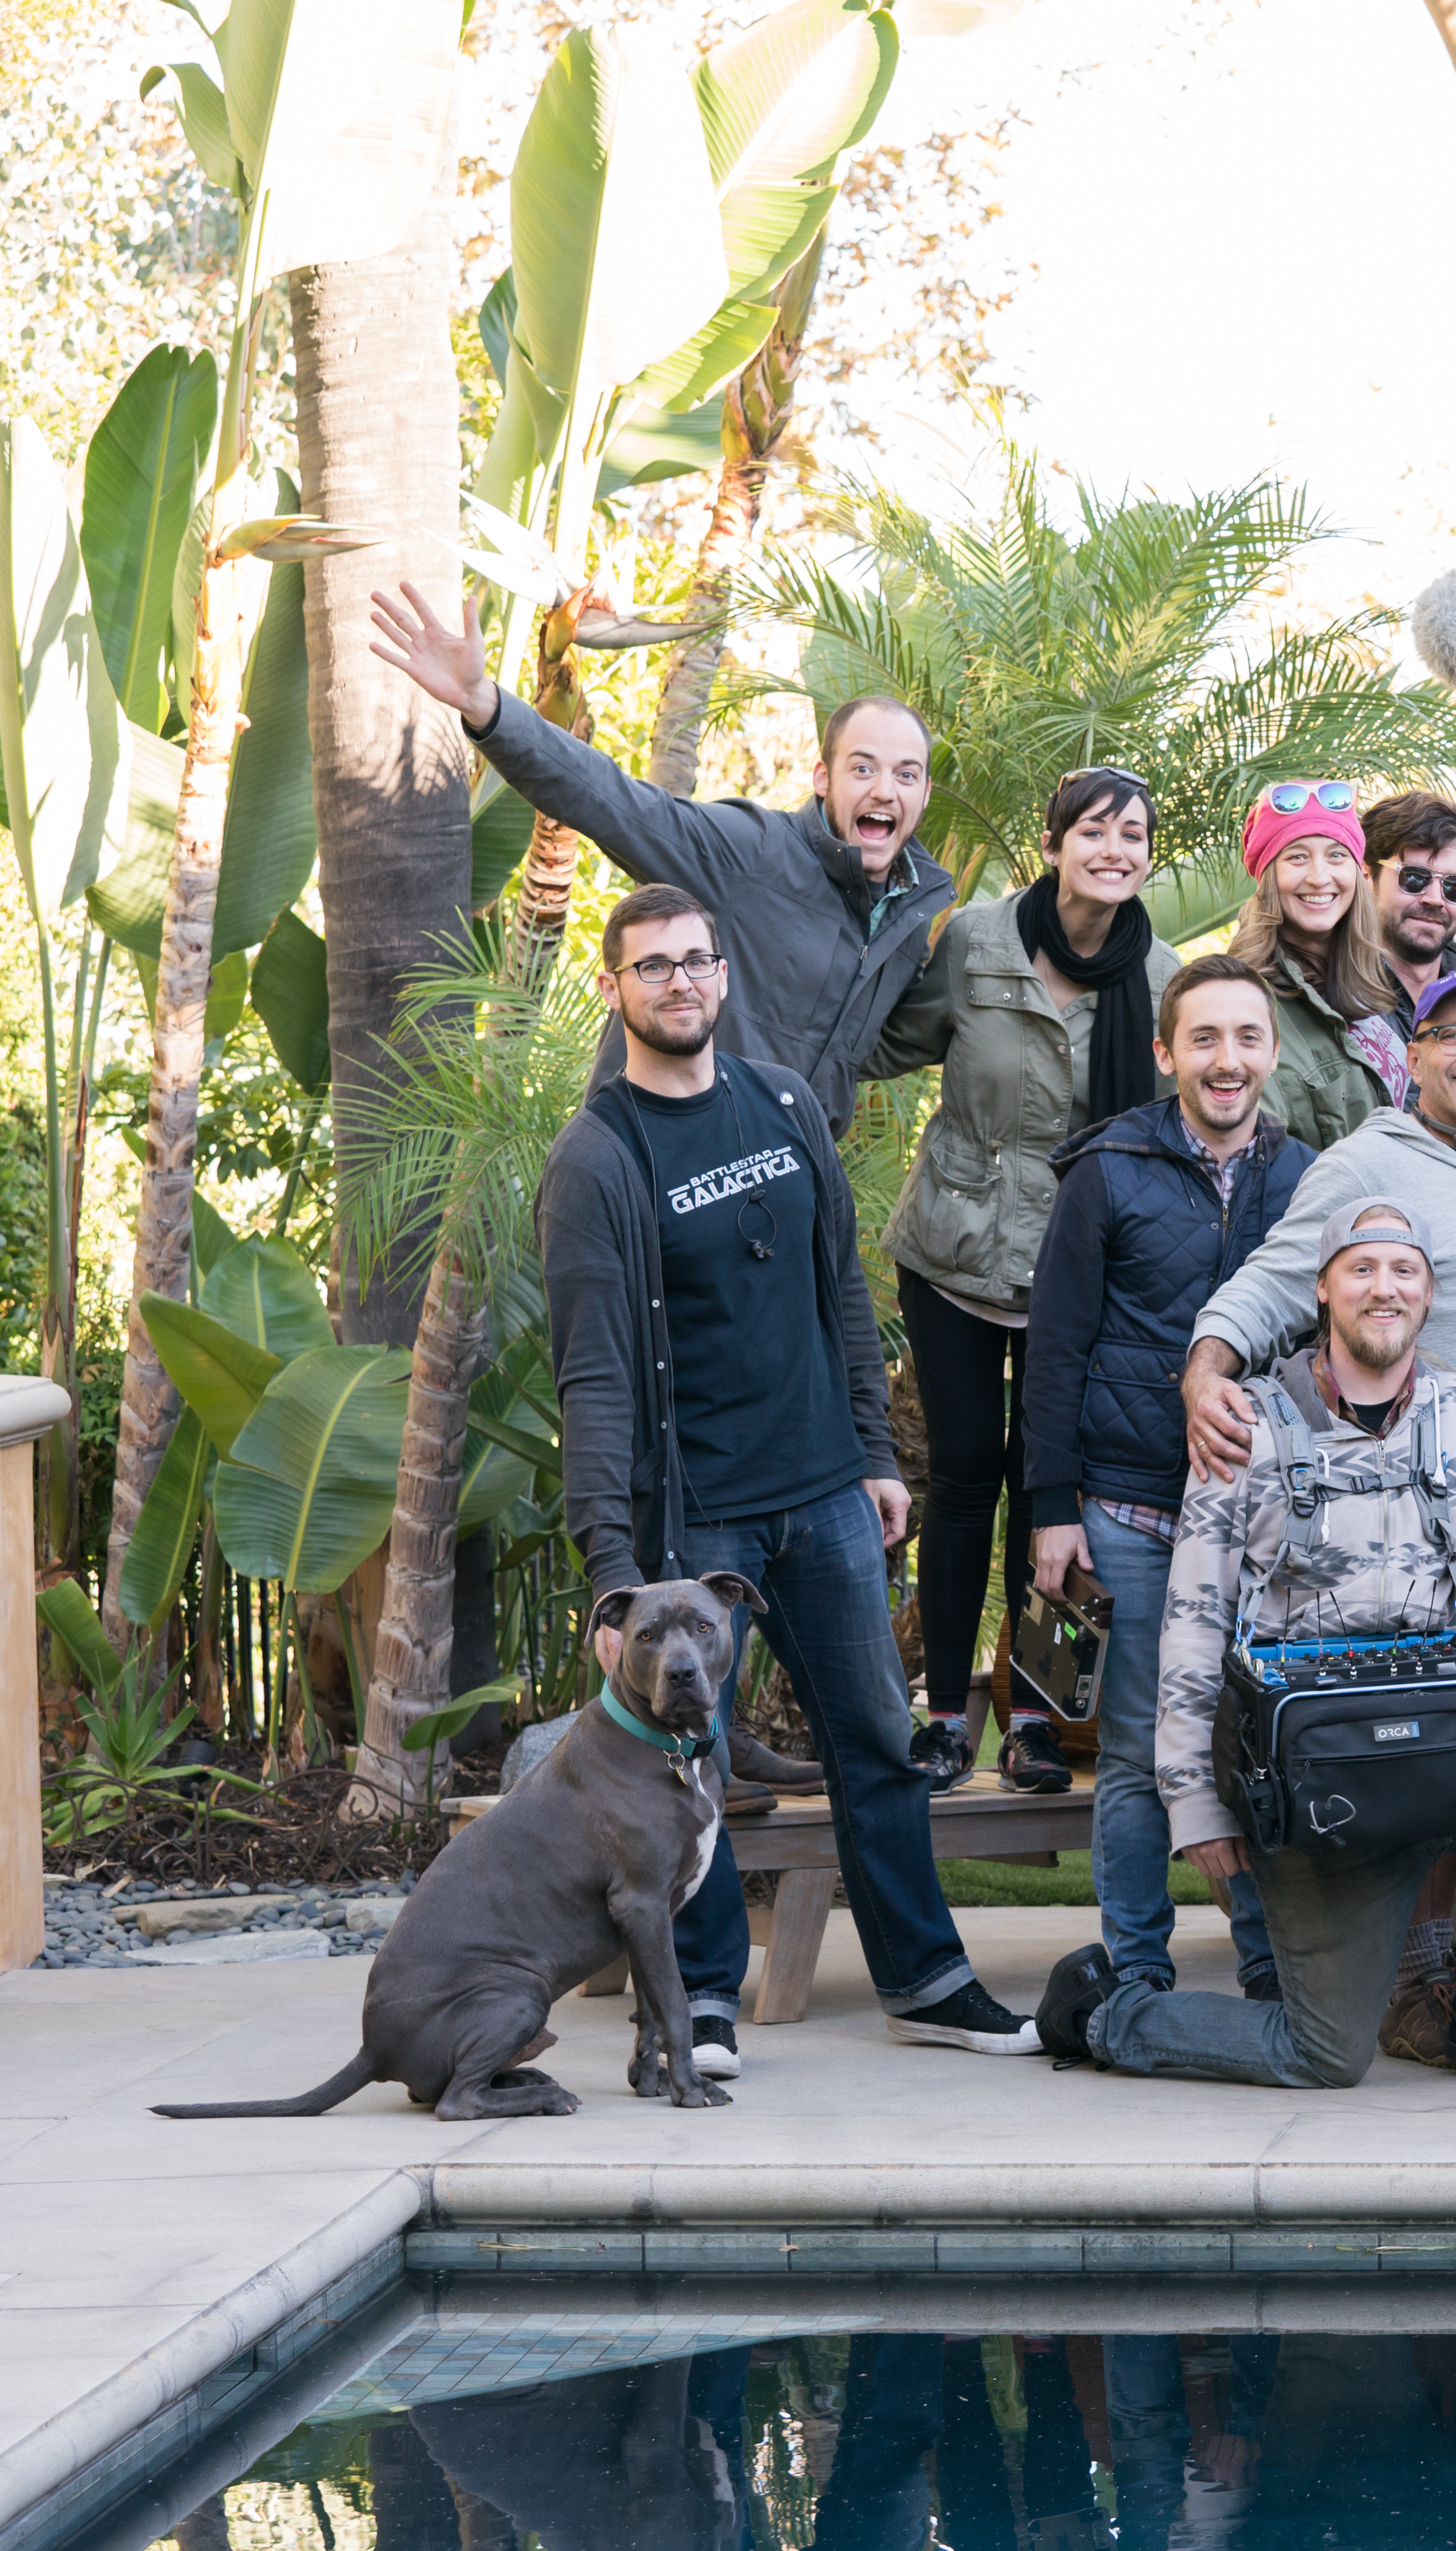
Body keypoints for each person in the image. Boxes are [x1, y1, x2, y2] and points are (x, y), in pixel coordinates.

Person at [537, 883, 1036, 2074]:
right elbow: (594, 1382)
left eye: (697, 960)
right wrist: (614, 1579)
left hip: (821, 1491)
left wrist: (871, 1450)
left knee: (873, 1734)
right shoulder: (598, 1157)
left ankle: (926, 1978)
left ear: (724, 975)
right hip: (697, 1516)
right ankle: (704, 1998)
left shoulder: (782, 1103)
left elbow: (841, 1298)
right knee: (689, 1751)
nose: (679, 982)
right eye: (651, 965)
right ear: (617, 988)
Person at [1032, 1202, 1456, 2092]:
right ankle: (1108, 2015)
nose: (1386, 1288)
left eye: (1404, 1271)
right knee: (1324, 2054)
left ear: (1428, 1293)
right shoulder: (1249, 1426)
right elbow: (1189, 1625)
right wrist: (1195, 1804)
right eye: (1363, 1268)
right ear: (1323, 1289)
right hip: (1321, 1789)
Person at [1181, 967, 1456, 2063]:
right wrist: (1207, 1369)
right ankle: (1414, 1974)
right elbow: (1282, 1276)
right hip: (1424, 1517)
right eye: (1448, 1036)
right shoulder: (1366, 1162)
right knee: (1434, 1747)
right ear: (1411, 1057)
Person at [368, 582, 950, 1133]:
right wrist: (487, 707)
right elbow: (615, 802)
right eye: (863, 767)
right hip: (662, 1166)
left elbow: (873, 1043)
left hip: (784, 1193)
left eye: (906, 775)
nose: (884, 790)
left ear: (924, 795)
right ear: (823, 778)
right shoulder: (752, 852)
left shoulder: (907, 919)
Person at [875, 767, 1182, 1796]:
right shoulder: (977, 941)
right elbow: (894, 1035)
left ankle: (1042, 1718)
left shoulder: (1164, 974)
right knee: (966, 1476)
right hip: (957, 1251)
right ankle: (947, 1716)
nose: (1114, 850)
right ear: (1053, 845)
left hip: (1084, 1270)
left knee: (1059, 1492)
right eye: (1093, 831)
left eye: (1133, 835)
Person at [1020, 952, 1317, 2009]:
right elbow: (1053, 1350)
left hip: (1258, 1518)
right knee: (1148, 1740)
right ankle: (1138, 1960)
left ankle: (1269, 1956)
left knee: (1256, 1733)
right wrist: (1052, 1510)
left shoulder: (1308, 1179)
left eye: (1246, 1038)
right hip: (1133, 1505)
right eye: (1204, 1038)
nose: (1226, 1059)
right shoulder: (1108, 1171)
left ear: (1272, 1053)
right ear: (1166, 1052)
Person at [1222, 779, 1405, 1149]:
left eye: (1337, 856)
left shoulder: (1369, 982)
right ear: (1268, 877)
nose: (1320, 877)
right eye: (1297, 857)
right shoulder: (1242, 999)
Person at [1365, 789, 1456, 1009]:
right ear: (1367, 877)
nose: (1435, 899)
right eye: (1415, 877)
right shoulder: (1326, 995)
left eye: (1455, 885)